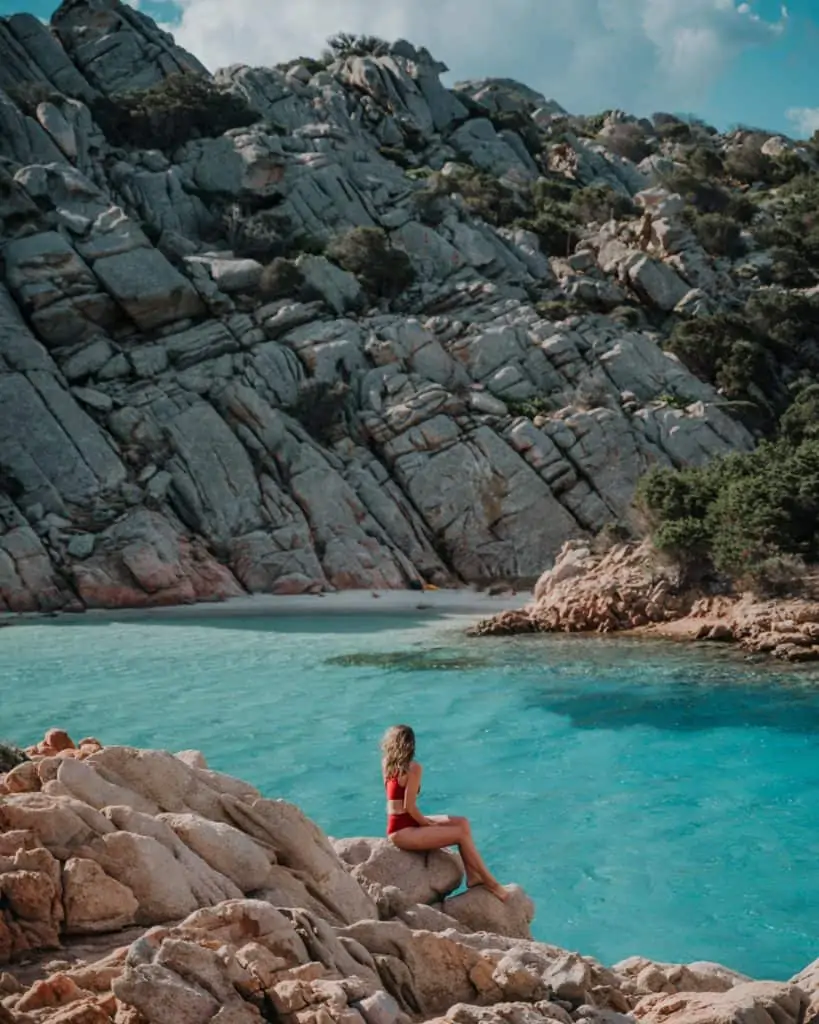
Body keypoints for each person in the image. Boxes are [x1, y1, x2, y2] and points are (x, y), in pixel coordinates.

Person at [381, 724, 508, 901]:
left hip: (400, 823)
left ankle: (473, 876)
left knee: (462, 822)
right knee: (460, 835)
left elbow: (396, 804)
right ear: (410, 745)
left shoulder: (387, 764)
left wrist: (423, 822)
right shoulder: (413, 768)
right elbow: (409, 807)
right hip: (403, 832)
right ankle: (492, 884)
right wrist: (425, 823)